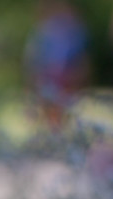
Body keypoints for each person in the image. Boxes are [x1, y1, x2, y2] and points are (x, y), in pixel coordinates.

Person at [25, 1, 90, 129]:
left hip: (68, 83)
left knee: (68, 116)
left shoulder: (76, 34)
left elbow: (83, 65)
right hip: (48, 83)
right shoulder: (41, 34)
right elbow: (33, 66)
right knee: (48, 117)